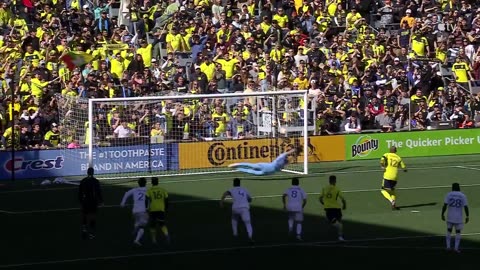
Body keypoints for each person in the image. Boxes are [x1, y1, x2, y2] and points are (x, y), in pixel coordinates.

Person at [220, 178, 254, 244]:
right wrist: (247, 200)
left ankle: (235, 235)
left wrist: (221, 202)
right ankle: (250, 237)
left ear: (233, 183)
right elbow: (250, 199)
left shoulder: (232, 189)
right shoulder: (245, 189)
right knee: (248, 223)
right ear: (239, 183)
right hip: (244, 209)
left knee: (234, 221)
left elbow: (225, 193)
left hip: (235, 208)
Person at [441, 183, 470, 253]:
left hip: (450, 216)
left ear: (452, 187)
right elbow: (466, 207)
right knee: (458, 232)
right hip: (458, 217)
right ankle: (456, 248)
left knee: (449, 231)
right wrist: (467, 216)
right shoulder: (462, 195)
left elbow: (445, 205)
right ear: (459, 187)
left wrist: (442, 214)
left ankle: (448, 247)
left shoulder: (449, 194)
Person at [120, 177, 148, 246]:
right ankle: (136, 240)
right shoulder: (147, 190)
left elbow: (126, 193)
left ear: (138, 183)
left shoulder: (135, 190)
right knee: (142, 227)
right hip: (142, 211)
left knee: (137, 221)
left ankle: (136, 227)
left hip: (134, 211)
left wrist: (123, 202)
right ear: (145, 183)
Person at [228, 149, 297, 176]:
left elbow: (280, 168)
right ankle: (237, 164)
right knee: (252, 166)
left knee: (251, 171)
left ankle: (237, 168)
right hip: (266, 166)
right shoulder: (280, 158)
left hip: (267, 172)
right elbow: (286, 153)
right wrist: (293, 150)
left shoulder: (283, 165)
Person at [78, 167, 103, 240]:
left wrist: (80, 201)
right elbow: (98, 192)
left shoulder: (83, 181)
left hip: (85, 201)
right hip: (93, 201)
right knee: (93, 216)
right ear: (93, 173)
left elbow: (80, 192)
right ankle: (91, 233)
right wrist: (101, 200)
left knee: (84, 215)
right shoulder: (95, 181)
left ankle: (84, 229)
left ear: (87, 172)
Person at [319, 175, 346, 242]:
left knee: (336, 223)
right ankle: (340, 236)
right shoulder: (337, 189)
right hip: (337, 208)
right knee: (339, 223)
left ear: (329, 181)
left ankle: (339, 235)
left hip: (329, 209)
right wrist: (344, 205)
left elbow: (320, 198)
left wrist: (324, 203)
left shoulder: (324, 188)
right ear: (335, 181)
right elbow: (343, 199)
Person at [145, 177, 170, 245]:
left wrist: (146, 208)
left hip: (152, 210)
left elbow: (146, 199)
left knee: (152, 225)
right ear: (158, 182)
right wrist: (166, 208)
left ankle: (154, 240)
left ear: (152, 183)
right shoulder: (162, 190)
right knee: (162, 224)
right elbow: (167, 199)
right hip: (161, 209)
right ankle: (167, 236)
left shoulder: (149, 190)